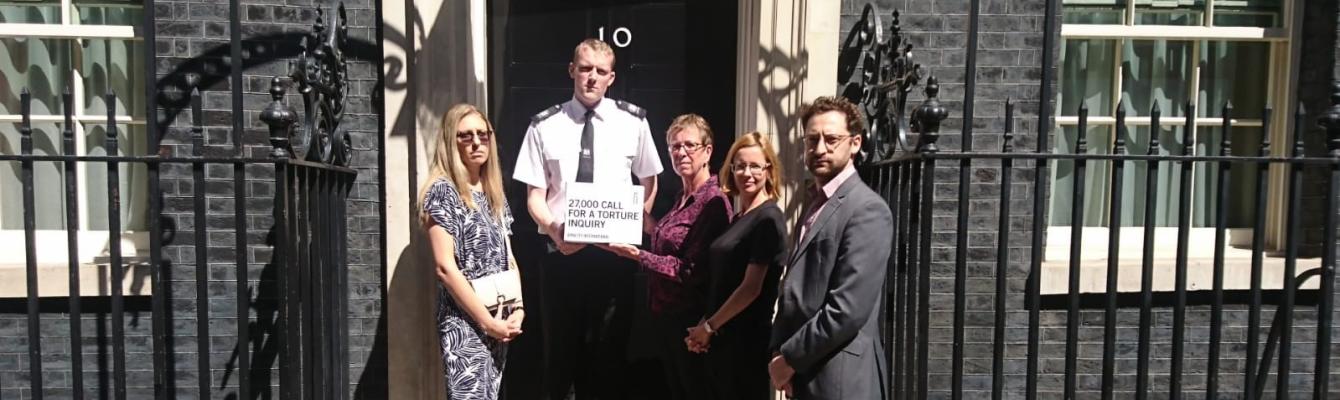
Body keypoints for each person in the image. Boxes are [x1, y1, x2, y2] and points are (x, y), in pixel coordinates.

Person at [512, 38, 663, 400]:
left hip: (614, 259)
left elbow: (649, 182)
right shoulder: (544, 126)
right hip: (562, 257)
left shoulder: (634, 122)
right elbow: (534, 196)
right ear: (572, 71)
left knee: (609, 357)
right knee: (559, 358)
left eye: (600, 71)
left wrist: (632, 220)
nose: (591, 78)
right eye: (585, 69)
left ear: (611, 77)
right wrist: (553, 229)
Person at [768, 96, 892, 400]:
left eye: (831, 139)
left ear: (855, 143)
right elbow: (794, 290)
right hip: (807, 373)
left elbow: (846, 309)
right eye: (812, 140)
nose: (820, 148)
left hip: (839, 380)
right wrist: (778, 352)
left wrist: (789, 359)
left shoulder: (867, 210)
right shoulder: (815, 205)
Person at [602, 114, 731, 400]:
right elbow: (668, 240)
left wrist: (637, 255)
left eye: (689, 145)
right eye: (674, 146)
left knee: (695, 391)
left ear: (707, 151)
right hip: (664, 317)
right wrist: (637, 219)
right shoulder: (682, 197)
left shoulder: (712, 203)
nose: (681, 152)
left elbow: (689, 270)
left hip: (690, 321)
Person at [420, 103, 524, 399]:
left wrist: (518, 307)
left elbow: (509, 256)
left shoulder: (493, 191)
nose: (477, 142)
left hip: (499, 314)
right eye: (465, 136)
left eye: (482, 134)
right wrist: (486, 321)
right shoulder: (442, 191)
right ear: (451, 142)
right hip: (465, 321)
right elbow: (444, 267)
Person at [684, 131, 786, 400]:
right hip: (722, 342)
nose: (747, 173)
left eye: (755, 165)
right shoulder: (740, 216)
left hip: (745, 345)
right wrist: (703, 325)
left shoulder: (768, 219)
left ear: (769, 169)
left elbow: (751, 288)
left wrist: (708, 328)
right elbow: (726, 281)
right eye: (740, 165)